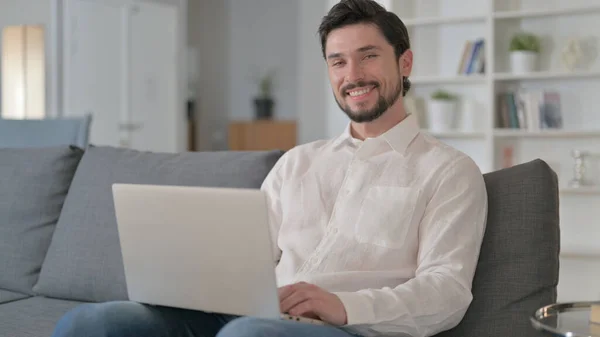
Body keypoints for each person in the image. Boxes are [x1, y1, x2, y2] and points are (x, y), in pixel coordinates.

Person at [51, 0, 487, 336]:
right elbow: (246, 256)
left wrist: (342, 305)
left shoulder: (448, 171)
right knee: (95, 323)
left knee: (246, 334)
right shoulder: (298, 162)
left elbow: (447, 292)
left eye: (368, 55)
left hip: (349, 329)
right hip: (258, 316)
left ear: (404, 63)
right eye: (337, 61)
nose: (352, 73)